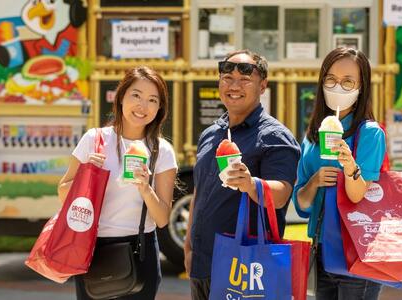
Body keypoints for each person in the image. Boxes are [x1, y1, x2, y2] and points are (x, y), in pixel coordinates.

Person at [184, 49, 301, 300]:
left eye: (245, 79)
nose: (234, 85)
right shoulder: (211, 134)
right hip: (202, 264)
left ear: (263, 86)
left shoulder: (275, 137)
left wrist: (251, 184)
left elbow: (281, 195)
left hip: (245, 267)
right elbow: (200, 192)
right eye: (227, 78)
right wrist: (188, 247)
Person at [57, 66, 178, 300]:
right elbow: (63, 194)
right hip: (92, 249)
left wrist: (145, 187)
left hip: (140, 250)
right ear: (121, 97)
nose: (142, 106)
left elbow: (162, 218)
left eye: (152, 100)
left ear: (159, 108)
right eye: (136, 95)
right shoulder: (95, 139)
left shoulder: (161, 151)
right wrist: (85, 175)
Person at [293, 47, 387, 299]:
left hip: (358, 248)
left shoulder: (370, 133)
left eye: (348, 82)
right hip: (322, 249)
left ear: (361, 88)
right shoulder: (312, 137)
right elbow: (302, 205)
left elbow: (358, 196)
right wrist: (313, 182)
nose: (338, 87)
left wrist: (349, 166)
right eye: (331, 80)